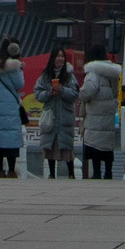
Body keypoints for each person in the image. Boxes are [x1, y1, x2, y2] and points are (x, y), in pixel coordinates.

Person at [77, 42, 123, 179]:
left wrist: (80, 93)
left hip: (95, 116)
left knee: (95, 145)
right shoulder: (113, 73)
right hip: (108, 114)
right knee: (107, 146)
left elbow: (88, 91)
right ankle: (108, 172)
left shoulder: (93, 73)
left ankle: (96, 172)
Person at [34, 50, 79, 178]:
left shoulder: (69, 76)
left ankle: (71, 174)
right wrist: (49, 93)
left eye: (62, 56)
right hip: (51, 115)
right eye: (58, 56)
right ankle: (52, 174)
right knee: (50, 145)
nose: (60, 59)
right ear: (52, 58)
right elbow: (37, 93)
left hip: (65, 115)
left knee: (66, 145)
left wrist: (62, 90)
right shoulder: (45, 76)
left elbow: (75, 93)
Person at [0, 39, 26, 177]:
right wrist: (20, 69)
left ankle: (0, 170)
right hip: (9, 107)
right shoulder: (13, 67)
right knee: (11, 138)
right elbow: (20, 84)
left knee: (0, 136)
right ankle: (12, 170)